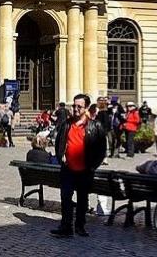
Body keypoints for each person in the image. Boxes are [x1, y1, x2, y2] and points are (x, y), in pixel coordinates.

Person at [51, 94, 106, 239]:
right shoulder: (67, 124)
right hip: (68, 168)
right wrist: (60, 156)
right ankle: (66, 226)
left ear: (86, 108)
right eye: (74, 106)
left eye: (79, 106)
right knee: (65, 197)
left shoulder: (95, 126)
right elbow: (59, 142)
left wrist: (93, 166)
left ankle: (80, 226)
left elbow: (102, 150)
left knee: (82, 200)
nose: (75, 109)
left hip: (85, 169)